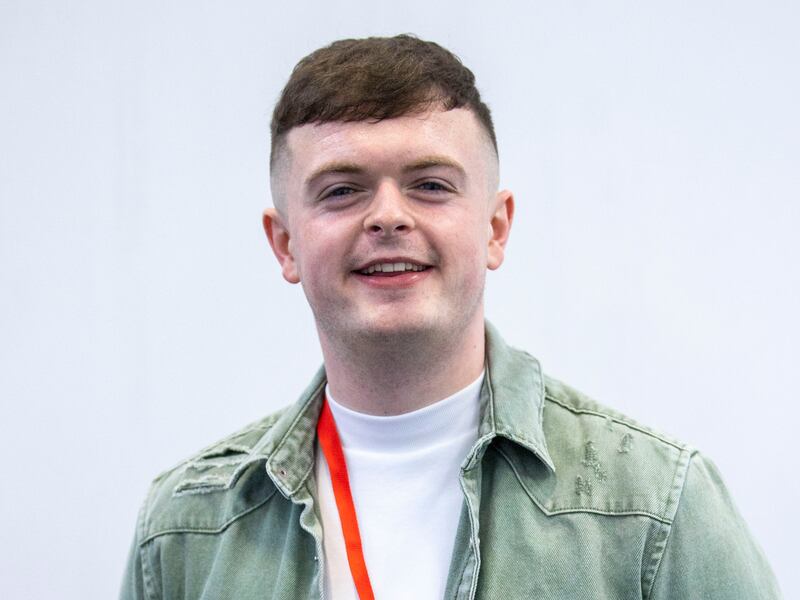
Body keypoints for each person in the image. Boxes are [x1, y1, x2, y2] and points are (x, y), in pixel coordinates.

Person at [120, 35, 781, 600]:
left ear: (496, 228)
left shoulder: (656, 505)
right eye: (342, 190)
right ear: (285, 243)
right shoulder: (184, 530)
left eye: (431, 185)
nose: (388, 216)